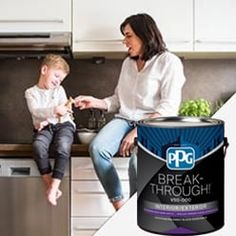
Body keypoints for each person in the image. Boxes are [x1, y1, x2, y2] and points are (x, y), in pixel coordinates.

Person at [75, 13, 186, 210]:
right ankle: (119, 205)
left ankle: (137, 213)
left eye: (128, 36)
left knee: (137, 164)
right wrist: (95, 102)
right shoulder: (127, 64)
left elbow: (168, 106)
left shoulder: (169, 62)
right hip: (125, 119)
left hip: (155, 123)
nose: (124, 41)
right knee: (98, 148)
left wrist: (138, 131)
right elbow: (119, 99)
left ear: (145, 35)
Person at [25, 54, 76, 206]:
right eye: (56, 76)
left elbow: (64, 113)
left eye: (60, 79)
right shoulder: (30, 93)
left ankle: (54, 187)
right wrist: (54, 111)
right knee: (38, 146)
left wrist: (48, 119)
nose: (57, 81)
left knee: (63, 146)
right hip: (45, 128)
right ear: (44, 69)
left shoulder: (59, 90)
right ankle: (50, 185)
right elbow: (35, 111)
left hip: (63, 125)